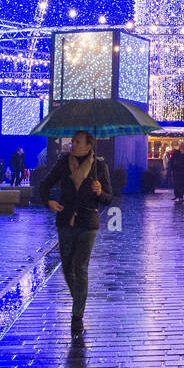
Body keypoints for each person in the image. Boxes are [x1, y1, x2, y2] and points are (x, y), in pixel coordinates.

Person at [40, 130, 113, 336]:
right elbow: (45, 184)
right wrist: (49, 201)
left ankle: (77, 317)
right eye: (72, 141)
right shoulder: (64, 163)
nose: (73, 144)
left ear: (89, 145)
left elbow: (109, 198)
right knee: (67, 267)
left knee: (80, 267)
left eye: (78, 141)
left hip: (88, 223)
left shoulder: (99, 167)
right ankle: (79, 299)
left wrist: (100, 192)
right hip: (65, 221)